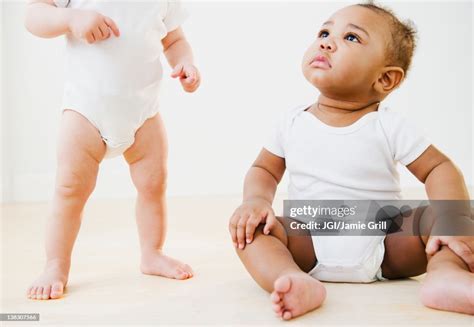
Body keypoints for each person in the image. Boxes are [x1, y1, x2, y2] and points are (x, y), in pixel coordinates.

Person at [229, 2, 474, 320]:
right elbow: (263, 169)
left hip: (386, 239)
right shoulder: (291, 122)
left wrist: (451, 220)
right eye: (324, 32)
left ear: (385, 79)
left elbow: (438, 168)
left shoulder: (388, 124)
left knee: (444, 219)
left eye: (352, 38)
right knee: (251, 231)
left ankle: (445, 277)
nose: (327, 41)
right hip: (310, 235)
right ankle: (291, 280)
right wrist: (255, 201)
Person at [24, 0, 200, 300]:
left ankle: (152, 253)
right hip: (85, 112)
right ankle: (56, 264)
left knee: (153, 185)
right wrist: (70, 18)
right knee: (70, 191)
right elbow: (33, 16)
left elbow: (175, 39)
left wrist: (185, 63)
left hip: (143, 114)